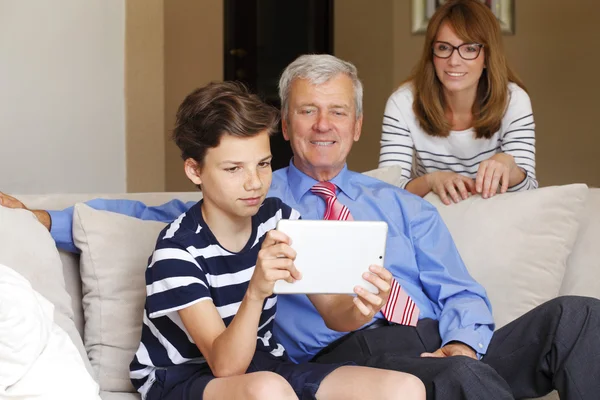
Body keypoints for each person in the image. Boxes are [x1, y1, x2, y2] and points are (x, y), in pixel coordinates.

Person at [2, 54, 599, 399]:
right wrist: (44, 216)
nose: (323, 124)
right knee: (458, 378)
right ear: (285, 124)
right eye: (307, 110)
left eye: (337, 111)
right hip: (356, 349)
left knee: (578, 316)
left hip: (444, 341)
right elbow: (162, 218)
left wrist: (462, 343)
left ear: (358, 124)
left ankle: (467, 376)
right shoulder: (256, 199)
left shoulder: (404, 204)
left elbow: (462, 292)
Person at [128, 81, 424, 400]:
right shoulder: (176, 251)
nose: (255, 183)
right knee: (268, 389)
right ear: (194, 171)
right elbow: (225, 366)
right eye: (233, 169)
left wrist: (363, 308)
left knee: (404, 387)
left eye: (264, 164)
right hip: (183, 378)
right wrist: (255, 292)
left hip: (264, 367)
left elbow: (333, 314)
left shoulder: (277, 219)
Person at [378, 0, 538, 205]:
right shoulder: (403, 103)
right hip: (430, 219)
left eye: (469, 49)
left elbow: (530, 191)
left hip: (496, 221)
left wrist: (509, 166)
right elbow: (386, 192)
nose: (454, 61)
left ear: (488, 56)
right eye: (444, 47)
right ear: (431, 54)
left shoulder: (514, 101)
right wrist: (430, 181)